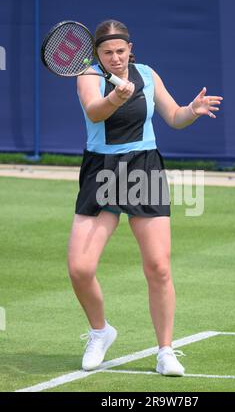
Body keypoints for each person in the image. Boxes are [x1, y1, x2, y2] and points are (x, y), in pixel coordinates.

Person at [68, 19, 223, 376]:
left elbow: (174, 116)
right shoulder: (88, 76)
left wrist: (192, 111)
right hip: (102, 170)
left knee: (158, 267)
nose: (116, 58)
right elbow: (95, 111)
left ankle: (165, 350)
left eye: (121, 51)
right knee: (80, 267)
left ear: (130, 49)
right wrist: (114, 97)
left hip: (143, 166)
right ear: (98, 54)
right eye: (108, 53)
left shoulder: (147, 74)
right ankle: (100, 332)